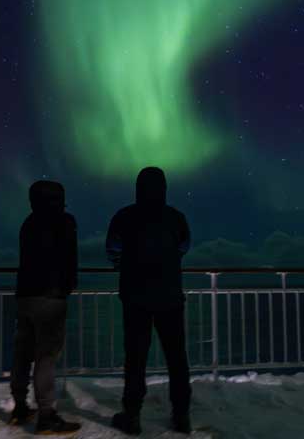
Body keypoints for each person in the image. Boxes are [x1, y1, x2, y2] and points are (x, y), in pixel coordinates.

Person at [106, 167, 192, 435]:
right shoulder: (176, 218)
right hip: (169, 297)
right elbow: (183, 247)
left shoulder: (124, 216)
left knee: (135, 359)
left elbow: (112, 250)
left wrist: (127, 266)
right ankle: (181, 416)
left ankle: (132, 416)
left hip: (135, 298)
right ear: (164, 187)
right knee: (177, 359)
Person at [9, 180, 81, 435]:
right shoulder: (65, 221)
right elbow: (69, 257)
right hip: (50, 298)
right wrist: (67, 286)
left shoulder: (28, 223)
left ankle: (19, 407)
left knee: (22, 353)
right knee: (46, 357)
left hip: (25, 295)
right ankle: (46, 416)